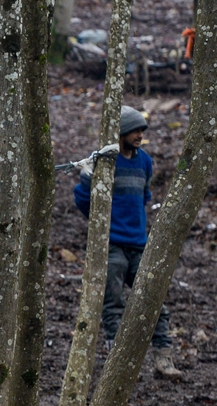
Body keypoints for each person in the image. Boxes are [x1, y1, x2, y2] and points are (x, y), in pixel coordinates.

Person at [73, 105, 182, 379]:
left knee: (153, 299)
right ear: (120, 133)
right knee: (113, 304)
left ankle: (163, 357)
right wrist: (87, 182)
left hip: (139, 244)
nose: (139, 135)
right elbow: (84, 200)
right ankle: (116, 363)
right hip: (110, 245)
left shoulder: (145, 161)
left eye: (141, 130)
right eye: (134, 131)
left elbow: (144, 197)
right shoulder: (105, 161)